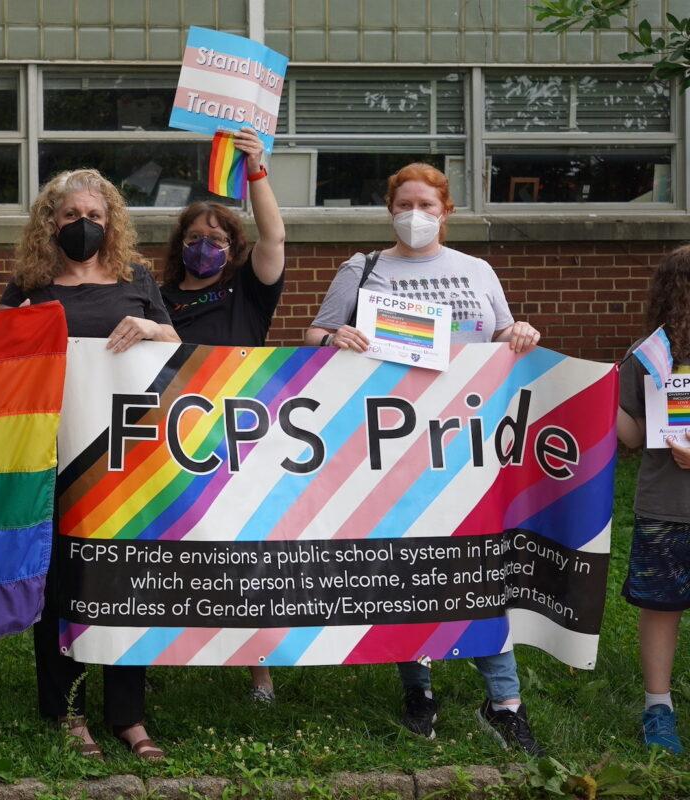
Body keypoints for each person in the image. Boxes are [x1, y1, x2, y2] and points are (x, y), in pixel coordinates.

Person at [304, 163, 544, 756]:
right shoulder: (362, 269)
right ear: (390, 209)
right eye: (405, 203)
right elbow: (312, 336)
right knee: (409, 567)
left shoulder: (476, 270)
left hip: (470, 442)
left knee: (478, 566)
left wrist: (523, 334)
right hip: (392, 444)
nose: (416, 214)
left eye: (428, 205)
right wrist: (335, 338)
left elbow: (506, 335)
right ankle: (419, 690)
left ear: (447, 211)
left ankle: (504, 701)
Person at [0, 168, 179, 761]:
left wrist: (153, 327)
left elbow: (180, 353)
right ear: (52, 221)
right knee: (62, 586)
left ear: (113, 223)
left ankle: (129, 715)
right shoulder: (31, 284)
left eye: (96, 217)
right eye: (73, 216)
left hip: (127, 461)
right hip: (53, 460)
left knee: (127, 584)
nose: (85, 226)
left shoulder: (137, 280)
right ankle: (68, 711)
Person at [159, 128, 286, 702]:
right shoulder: (155, 298)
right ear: (179, 243)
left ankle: (258, 668)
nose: (204, 244)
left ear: (233, 248)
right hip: (167, 445)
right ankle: (161, 652)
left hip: (237, 447)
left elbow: (275, 236)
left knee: (243, 560)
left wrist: (256, 170)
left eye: (216, 237)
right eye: (195, 235)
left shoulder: (246, 293)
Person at [616, 244, 690, 755]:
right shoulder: (651, 355)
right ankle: (657, 706)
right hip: (668, 506)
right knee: (661, 608)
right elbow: (634, 435)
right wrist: (595, 397)